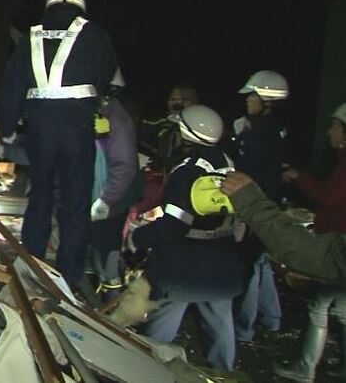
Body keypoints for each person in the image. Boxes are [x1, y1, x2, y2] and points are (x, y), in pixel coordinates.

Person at [0, 0, 118, 287]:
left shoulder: (31, 37)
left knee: (39, 198)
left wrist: (8, 130)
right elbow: (106, 73)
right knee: (75, 205)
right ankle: (69, 280)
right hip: (76, 127)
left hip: (40, 128)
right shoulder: (94, 34)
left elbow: (10, 87)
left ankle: (30, 270)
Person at [130, 104, 247, 372]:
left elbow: (174, 226)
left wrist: (137, 238)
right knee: (220, 327)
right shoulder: (229, 164)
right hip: (223, 261)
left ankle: (145, 373)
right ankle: (223, 375)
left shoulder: (187, 171)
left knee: (157, 336)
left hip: (185, 267)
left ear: (184, 135)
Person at [259, 102, 346, 381]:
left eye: (335, 126)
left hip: (339, 247)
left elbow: (329, 196)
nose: (329, 130)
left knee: (318, 305)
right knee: (342, 308)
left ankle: (304, 369)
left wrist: (300, 177)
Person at [231, 70, 288, 343]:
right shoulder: (277, 128)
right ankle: (272, 318)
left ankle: (244, 328)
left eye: (252, 96)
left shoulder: (257, 133)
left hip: (255, 204)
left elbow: (248, 169)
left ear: (266, 100)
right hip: (270, 202)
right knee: (262, 262)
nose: (248, 101)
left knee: (250, 266)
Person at [89, 70, 143, 302]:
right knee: (98, 253)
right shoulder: (102, 113)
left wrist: (105, 201)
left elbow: (124, 166)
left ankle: (114, 308)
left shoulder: (115, 118)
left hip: (112, 203)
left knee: (106, 256)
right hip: (107, 197)